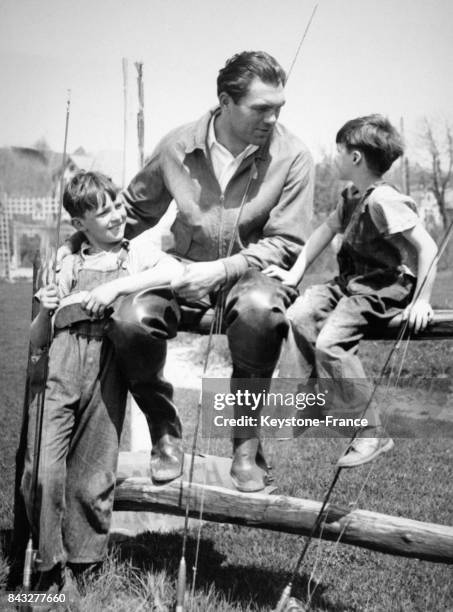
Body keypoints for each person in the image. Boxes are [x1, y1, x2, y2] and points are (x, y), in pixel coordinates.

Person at [58, 50, 314, 493]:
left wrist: (222, 270)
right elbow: (132, 211)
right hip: (179, 272)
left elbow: (286, 244)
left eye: (279, 109)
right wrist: (73, 246)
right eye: (261, 108)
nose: (272, 119)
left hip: (253, 276)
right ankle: (164, 429)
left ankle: (246, 444)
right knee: (130, 319)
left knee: (259, 310)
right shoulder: (177, 145)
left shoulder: (295, 156)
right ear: (224, 101)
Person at [21, 171, 183, 597]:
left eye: (115, 206)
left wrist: (115, 288)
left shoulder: (136, 253)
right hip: (59, 368)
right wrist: (45, 310)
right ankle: (47, 567)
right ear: (80, 224)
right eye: (102, 212)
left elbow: (174, 275)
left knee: (95, 472)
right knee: (41, 470)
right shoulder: (67, 260)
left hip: (106, 369)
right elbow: (38, 340)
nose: (115, 216)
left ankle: (87, 565)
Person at [265, 114, 438, 467]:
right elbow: (323, 233)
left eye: (339, 152)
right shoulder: (351, 196)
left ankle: (371, 435)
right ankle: (310, 401)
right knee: (299, 312)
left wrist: (421, 300)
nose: (336, 157)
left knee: (331, 344)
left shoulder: (382, 200)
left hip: (381, 289)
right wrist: (294, 274)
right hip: (350, 284)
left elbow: (428, 248)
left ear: (355, 157)